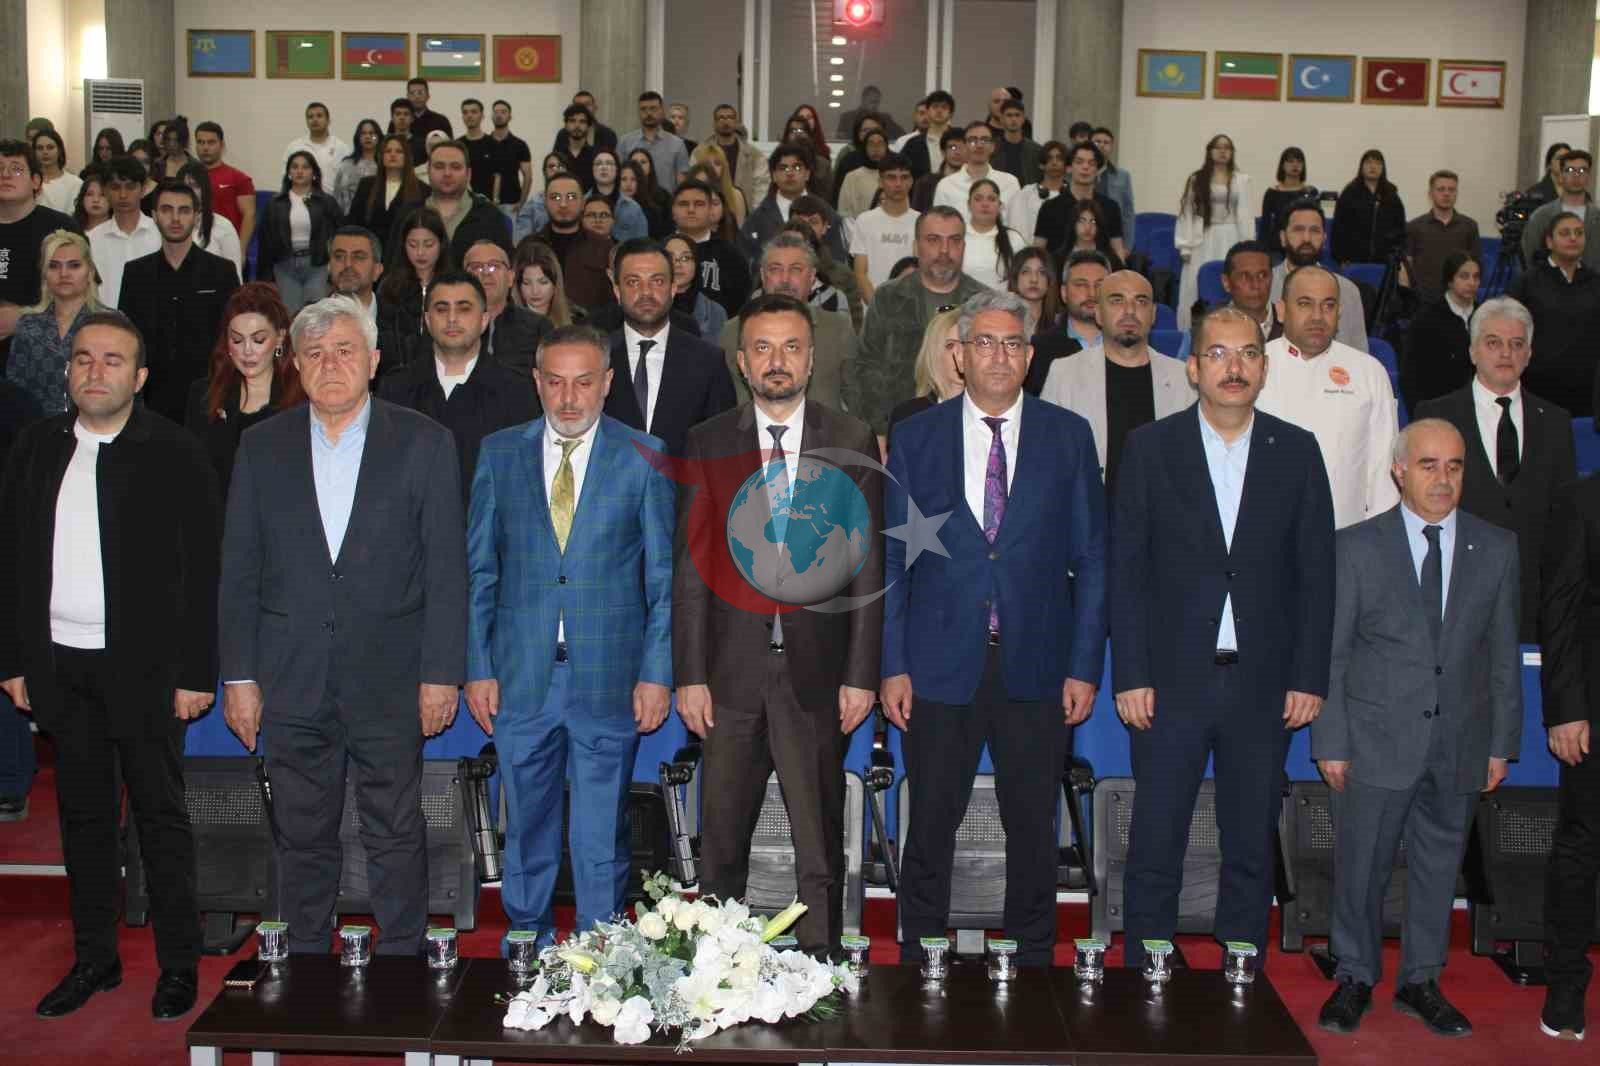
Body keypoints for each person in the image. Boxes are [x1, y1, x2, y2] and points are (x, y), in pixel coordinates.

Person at [219, 294, 467, 958]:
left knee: (395, 828)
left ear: (374, 360)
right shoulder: (261, 447)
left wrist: (442, 674)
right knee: (301, 832)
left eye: (345, 350)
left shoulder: (425, 442)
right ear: (296, 365)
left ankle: (402, 961)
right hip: (291, 676)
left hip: (391, 677)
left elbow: (447, 569)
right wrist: (238, 677)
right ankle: (304, 963)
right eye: (316, 353)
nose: (330, 365)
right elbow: (240, 569)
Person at [0, 310, 221, 1020]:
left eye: (113, 361)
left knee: (160, 818)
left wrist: (196, 673)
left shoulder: (176, 452)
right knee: (83, 819)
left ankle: (178, 964)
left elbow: (202, 572)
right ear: (68, 371)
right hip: (59, 665)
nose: (96, 372)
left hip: (147, 670)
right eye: (84, 359)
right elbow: (10, 557)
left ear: (140, 377)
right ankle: (94, 959)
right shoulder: (34, 447)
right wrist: (13, 658)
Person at [883, 288, 1106, 967]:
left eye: (1013, 344)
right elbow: (894, 559)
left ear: (1030, 357)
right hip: (938, 663)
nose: (999, 356)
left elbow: (1093, 558)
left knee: (1034, 827)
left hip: (1036, 665)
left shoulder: (1068, 436)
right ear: (960, 354)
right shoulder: (918, 436)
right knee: (930, 824)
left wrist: (1084, 665)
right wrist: (892, 663)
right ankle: (922, 957)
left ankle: (1033, 962)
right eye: (985, 342)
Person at [1113, 304, 1336, 973]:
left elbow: (1317, 575)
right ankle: (1148, 965)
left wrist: (1308, 676)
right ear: (1192, 368)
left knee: (1249, 839)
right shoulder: (1150, 448)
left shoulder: (1297, 451)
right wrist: (1131, 673)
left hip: (1263, 684)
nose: (1233, 367)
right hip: (1170, 681)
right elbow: (1127, 572)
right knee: (1157, 836)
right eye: (1217, 354)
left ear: (1264, 369)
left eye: (1247, 354)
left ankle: (1242, 970)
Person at [674, 292, 883, 956]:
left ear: (812, 357)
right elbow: (690, 572)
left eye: (791, 347)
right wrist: (689, 675)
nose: (777, 361)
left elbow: (867, 571)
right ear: (741, 360)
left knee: (818, 847)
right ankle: (720, 976)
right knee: (721, 847)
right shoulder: (708, 441)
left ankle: (822, 969)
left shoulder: (850, 440)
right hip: (728, 680)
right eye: (762, 348)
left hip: (817, 678)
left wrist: (861, 676)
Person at [465, 321, 671, 950]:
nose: (569, 398)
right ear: (537, 381)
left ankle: (598, 951)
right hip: (520, 674)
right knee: (526, 825)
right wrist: (478, 664)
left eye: (583, 382)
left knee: (599, 831)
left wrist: (657, 671)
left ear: (607, 382)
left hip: (609, 675)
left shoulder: (644, 455)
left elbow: (663, 577)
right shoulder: (500, 453)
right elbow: (479, 570)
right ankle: (525, 943)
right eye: (555, 382)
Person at [1314, 419, 1520, 1039]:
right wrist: (1331, 740)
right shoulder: (1355, 547)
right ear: (1399, 470)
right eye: (1428, 465)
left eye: (1454, 466)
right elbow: (1332, 654)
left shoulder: (1496, 548)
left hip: (1460, 741)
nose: (1442, 479)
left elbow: (1502, 654)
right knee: (1362, 866)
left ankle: (1421, 981)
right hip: (1373, 741)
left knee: (1438, 868)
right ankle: (1354, 975)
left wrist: (1501, 743)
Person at [1415, 296, 1574, 643]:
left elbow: (1565, 518)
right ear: (1473, 351)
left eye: (1516, 344)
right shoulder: (1435, 416)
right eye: (1493, 343)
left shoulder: (1556, 422)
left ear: (1529, 354)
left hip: (1534, 599)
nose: (1506, 353)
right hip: (1455, 592)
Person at [379, 268, 539, 508]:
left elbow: (524, 482)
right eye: (441, 309)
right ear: (427, 320)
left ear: (484, 320)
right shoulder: (395, 389)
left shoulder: (517, 391)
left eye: (464, 309)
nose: (452, 318)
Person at [1260, 266, 1398, 531]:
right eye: (1305, 304)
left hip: (1347, 533)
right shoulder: (1252, 367)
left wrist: (1377, 540)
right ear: (1281, 310)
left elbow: (1383, 474)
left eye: (1328, 305)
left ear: (1339, 312)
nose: (1317, 316)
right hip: (1267, 531)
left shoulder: (1368, 372)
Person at [1537, 471, 1600, 1043]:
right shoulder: (1581, 500)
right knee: (1581, 848)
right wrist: (1564, 710)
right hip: (1593, 714)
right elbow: (1559, 611)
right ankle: (1565, 987)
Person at [1041, 270, 1194, 491]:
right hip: (1091, 505)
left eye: (1140, 301)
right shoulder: (1064, 373)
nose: (1130, 311)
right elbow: (1049, 455)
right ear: (1098, 313)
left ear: (1153, 314)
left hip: (1162, 507)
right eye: (1117, 301)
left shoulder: (1183, 378)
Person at [851, 206, 987, 445]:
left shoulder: (983, 303)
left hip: (970, 432)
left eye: (954, 240)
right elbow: (867, 368)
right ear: (916, 247)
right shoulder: (888, 298)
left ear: (963, 247)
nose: (944, 250)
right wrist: (879, 432)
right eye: (933, 240)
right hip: (898, 430)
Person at [117, 181, 239, 424]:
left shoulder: (221, 271)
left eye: (184, 210)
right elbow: (127, 338)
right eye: (166, 209)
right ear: (154, 215)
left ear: (196, 216)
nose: (175, 218)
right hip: (151, 397)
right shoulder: (136, 273)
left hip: (207, 395)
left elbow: (232, 335)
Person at [601, 238, 735, 455]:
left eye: (657, 281)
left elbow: (723, 444)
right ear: (617, 290)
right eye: (633, 282)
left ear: (673, 288)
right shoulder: (595, 357)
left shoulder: (708, 361)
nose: (646, 292)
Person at [185, 282, 305, 500]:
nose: (247, 351)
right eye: (237, 340)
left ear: (280, 337)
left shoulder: (301, 397)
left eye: (258, 340)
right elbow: (192, 473)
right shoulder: (203, 395)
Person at [719, 231, 854, 410]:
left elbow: (857, 399)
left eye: (796, 269)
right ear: (763, 276)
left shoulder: (838, 328)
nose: (785, 279)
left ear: (812, 277)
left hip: (824, 428)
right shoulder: (733, 331)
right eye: (775, 269)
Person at [1509, 212, 1600, 416]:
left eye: (1579, 233)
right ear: (1549, 242)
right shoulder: (1528, 282)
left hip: (1586, 391)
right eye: (1565, 233)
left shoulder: (1595, 283)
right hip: (1539, 388)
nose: (1573, 238)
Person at [7, 229, 102, 416]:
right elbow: (15, 392)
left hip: (95, 424)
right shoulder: (28, 326)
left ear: (90, 271)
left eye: (74, 265)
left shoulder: (111, 323)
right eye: (54, 266)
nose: (64, 273)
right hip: (36, 427)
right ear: (44, 274)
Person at [1269, 202, 1369, 351]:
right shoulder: (1265, 286)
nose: (1307, 238)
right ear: (1283, 238)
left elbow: (1359, 354)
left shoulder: (1347, 291)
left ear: (1324, 238)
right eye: (1298, 230)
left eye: (1315, 231)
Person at [1176, 134, 1252, 329]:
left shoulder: (1241, 180)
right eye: (1218, 147)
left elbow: (1245, 214)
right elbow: (1187, 212)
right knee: (1196, 284)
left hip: (1231, 237)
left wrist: (1248, 246)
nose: (1223, 151)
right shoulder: (1197, 179)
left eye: (1227, 147)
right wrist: (1185, 245)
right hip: (1202, 238)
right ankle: (1193, 329)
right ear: (1210, 151)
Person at [741, 143, 849, 267]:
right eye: (783, 168)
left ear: (807, 174)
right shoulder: (756, 219)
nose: (790, 173)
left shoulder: (827, 213)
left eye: (797, 167)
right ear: (773, 176)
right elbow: (747, 264)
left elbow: (837, 261)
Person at [258, 153, 341, 314]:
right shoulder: (275, 203)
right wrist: (265, 278)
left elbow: (339, 235)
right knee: (291, 316)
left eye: (305, 167)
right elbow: (265, 241)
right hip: (285, 265)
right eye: (295, 167)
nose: (299, 171)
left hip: (317, 264)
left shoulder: (326, 202)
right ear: (289, 173)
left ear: (314, 173)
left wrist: (335, 266)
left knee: (316, 316)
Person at [1402, 252, 1481, 415]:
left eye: (1476, 277)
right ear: (1450, 280)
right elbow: (1411, 373)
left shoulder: (1485, 316)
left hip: (1478, 408)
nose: (1472, 283)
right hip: (1436, 406)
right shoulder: (1427, 318)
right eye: (1464, 276)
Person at [462, 237, 553, 377]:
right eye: (476, 267)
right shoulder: (450, 325)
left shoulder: (538, 327)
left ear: (510, 277)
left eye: (494, 266)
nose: (486, 273)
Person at [413, 140, 511, 270]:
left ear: (468, 174)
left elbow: (505, 271)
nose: (447, 173)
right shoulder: (410, 214)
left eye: (455, 167)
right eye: (439, 166)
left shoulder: (490, 216)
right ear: (428, 171)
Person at [376, 208, 447, 377]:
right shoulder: (390, 286)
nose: (420, 252)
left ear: (441, 244)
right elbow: (383, 337)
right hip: (398, 372)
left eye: (428, 245)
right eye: (413, 245)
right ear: (403, 245)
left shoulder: (454, 285)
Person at [1034, 143, 1126, 263]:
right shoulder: (1050, 207)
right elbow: (1038, 250)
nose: (1085, 167)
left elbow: (1118, 249)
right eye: (1079, 162)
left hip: (1100, 270)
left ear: (1097, 170)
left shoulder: (1110, 207)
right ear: (1069, 168)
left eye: (1091, 163)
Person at [534, 173, 613, 314]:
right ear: (545, 202)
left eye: (571, 197)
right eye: (555, 197)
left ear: (583, 203)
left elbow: (613, 302)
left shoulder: (604, 248)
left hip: (591, 325)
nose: (563, 204)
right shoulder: (530, 247)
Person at [87, 155, 158, 308]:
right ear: (105, 190)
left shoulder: (160, 235)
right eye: (115, 187)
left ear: (143, 189)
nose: (123, 195)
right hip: (105, 320)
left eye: (130, 187)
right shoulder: (91, 240)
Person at [673, 180, 750, 319]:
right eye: (683, 204)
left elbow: (740, 306)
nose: (691, 209)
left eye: (699, 204)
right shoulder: (658, 252)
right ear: (673, 211)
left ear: (710, 210)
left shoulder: (732, 256)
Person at [850, 152, 918, 301]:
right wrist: (877, 308)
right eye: (891, 177)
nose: (898, 184)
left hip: (910, 306)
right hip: (873, 306)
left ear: (911, 181)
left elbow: (922, 271)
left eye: (904, 177)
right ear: (880, 182)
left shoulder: (922, 222)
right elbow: (860, 273)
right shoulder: (864, 221)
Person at [1405, 171, 1482, 301]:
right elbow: (1406, 265)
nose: (1446, 194)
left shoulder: (1470, 226)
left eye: (1451, 190)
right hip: (1422, 300)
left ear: (1456, 193)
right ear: (1430, 194)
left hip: (1458, 299)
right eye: (1441, 189)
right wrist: (1406, 297)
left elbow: (1476, 266)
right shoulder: (1414, 226)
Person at [889, 308, 965, 431]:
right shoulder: (908, 416)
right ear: (934, 353)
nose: (960, 355)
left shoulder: (992, 412)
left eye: (965, 344)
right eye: (950, 346)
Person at [934, 121, 1020, 223]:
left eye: (985, 140)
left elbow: (1016, 224)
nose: (979, 145)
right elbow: (939, 225)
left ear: (993, 147)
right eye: (972, 140)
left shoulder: (1010, 183)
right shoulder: (946, 185)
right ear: (964, 147)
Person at [1332, 149, 1406, 266]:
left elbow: (1400, 229)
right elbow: (1338, 229)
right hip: (1353, 261)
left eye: (1377, 163)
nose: (1373, 167)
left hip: (1385, 262)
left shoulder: (1391, 195)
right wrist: (1341, 258)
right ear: (1361, 167)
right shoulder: (1349, 193)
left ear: (1383, 168)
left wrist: (1396, 257)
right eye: (1368, 162)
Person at [193, 122, 256, 255]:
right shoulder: (188, 178)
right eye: (201, 142)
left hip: (227, 246)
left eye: (211, 142)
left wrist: (241, 249)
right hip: (195, 245)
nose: (205, 147)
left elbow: (249, 215)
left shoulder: (239, 178)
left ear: (221, 145)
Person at [177, 161, 242, 281]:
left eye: (195, 186)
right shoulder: (168, 225)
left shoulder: (223, 227)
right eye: (184, 187)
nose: (189, 192)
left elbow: (236, 278)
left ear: (205, 189)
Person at [618, 92, 690, 195]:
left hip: (666, 202)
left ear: (662, 111)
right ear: (638, 112)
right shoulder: (625, 142)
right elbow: (618, 177)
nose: (648, 113)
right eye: (643, 109)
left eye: (653, 108)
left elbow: (682, 185)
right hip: (633, 201)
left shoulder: (677, 145)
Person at [962, 179, 1023, 291]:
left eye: (992, 199)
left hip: (1003, 302)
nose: (985, 204)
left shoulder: (1014, 239)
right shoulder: (957, 236)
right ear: (968, 204)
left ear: (999, 205)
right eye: (978, 199)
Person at [710, 103, 770, 215]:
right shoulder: (701, 153)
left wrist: (754, 217)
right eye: (721, 118)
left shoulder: (755, 155)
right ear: (714, 123)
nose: (726, 121)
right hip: (710, 213)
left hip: (745, 215)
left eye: (730, 117)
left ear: (736, 122)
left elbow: (761, 188)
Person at [663, 232, 723, 338]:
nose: (677, 264)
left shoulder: (715, 311)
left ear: (696, 264)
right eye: (670, 258)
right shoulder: (649, 306)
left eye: (685, 258)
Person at [283, 102, 349, 196]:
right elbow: (286, 178)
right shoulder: (295, 146)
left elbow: (347, 182)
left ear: (328, 121)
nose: (315, 119)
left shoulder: (341, 148)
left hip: (332, 201)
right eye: (310, 117)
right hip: (300, 200)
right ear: (306, 121)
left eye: (319, 116)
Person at [514, 238, 578, 326]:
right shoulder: (506, 323)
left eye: (543, 282)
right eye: (526, 283)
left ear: (555, 284)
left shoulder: (577, 321)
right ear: (518, 286)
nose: (535, 291)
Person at [1261, 147, 1311, 260]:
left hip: (1302, 246)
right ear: (1282, 166)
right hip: (1276, 248)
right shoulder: (1272, 193)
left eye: (1299, 161)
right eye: (1290, 161)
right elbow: (1265, 226)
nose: (1295, 165)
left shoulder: (1310, 193)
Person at [1219, 240, 1275, 337]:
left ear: (1272, 278)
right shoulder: (1208, 330)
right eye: (1244, 276)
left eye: (1262, 275)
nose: (1255, 285)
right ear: (1226, 282)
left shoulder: (1292, 324)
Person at [901, 90, 956, 180]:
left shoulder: (961, 140)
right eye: (935, 107)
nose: (939, 111)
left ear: (951, 113)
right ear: (927, 111)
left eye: (944, 107)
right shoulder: (913, 144)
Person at [332, 119, 382, 215]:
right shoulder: (346, 165)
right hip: (348, 217)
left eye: (372, 133)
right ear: (358, 137)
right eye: (363, 133)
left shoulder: (384, 165)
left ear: (378, 137)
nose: (368, 137)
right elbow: (337, 196)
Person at [1008, 246, 1061, 337]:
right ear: (1015, 279)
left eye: (1042, 272)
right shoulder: (1002, 319)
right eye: (1026, 272)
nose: (1034, 279)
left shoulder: (1061, 323)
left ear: (1049, 281)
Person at [1091, 127, 1135, 235]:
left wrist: (1127, 242)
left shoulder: (1123, 176)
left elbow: (1128, 213)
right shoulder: (1080, 172)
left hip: (1112, 233)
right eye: (1097, 142)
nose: (1101, 145)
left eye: (1106, 143)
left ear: (1111, 147)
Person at [912, 128, 964, 215]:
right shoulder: (925, 183)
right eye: (953, 147)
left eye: (962, 148)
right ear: (943, 152)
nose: (957, 152)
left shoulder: (975, 182)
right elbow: (917, 214)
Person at [991, 99, 1040, 186]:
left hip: (1028, 193)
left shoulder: (1036, 150)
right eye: (1009, 115)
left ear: (1023, 118)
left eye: (1017, 115)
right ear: (1001, 119)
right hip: (999, 192)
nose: (1013, 119)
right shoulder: (992, 148)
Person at [32, 129, 81, 216]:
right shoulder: (29, 182)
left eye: (50, 147)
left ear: (59, 150)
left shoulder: (76, 183)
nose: (45, 152)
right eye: (40, 148)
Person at [553, 90, 619, 153]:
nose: (583, 108)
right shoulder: (563, 134)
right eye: (578, 105)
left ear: (595, 107)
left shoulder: (607, 134)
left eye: (587, 104)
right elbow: (557, 158)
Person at [554, 103, 599, 194]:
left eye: (582, 121)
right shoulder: (557, 156)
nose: (577, 125)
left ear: (588, 126)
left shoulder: (597, 156)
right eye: (572, 121)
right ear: (566, 125)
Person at [836, 85, 904, 141]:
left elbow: (902, 136)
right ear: (863, 100)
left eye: (877, 102)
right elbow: (840, 140)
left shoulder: (885, 119)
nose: (875, 105)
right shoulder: (847, 118)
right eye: (872, 102)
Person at [406, 77, 454, 146]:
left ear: (428, 96)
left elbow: (450, 147)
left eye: (420, 93)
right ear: (407, 96)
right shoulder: (400, 121)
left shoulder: (441, 121)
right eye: (412, 93)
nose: (416, 97)